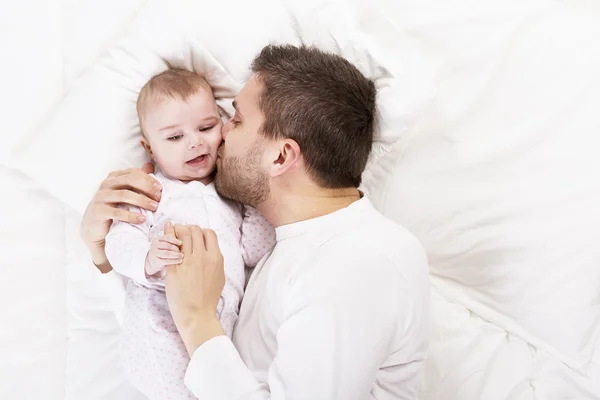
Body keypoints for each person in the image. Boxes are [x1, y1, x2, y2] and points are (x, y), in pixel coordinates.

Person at [81, 44, 431, 399]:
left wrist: (197, 319)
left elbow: (197, 332)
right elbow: (169, 352)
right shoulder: (285, 249)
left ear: (280, 156)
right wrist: (102, 255)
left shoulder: (358, 261)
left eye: (235, 120)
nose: (218, 136)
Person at [103, 68, 275, 400]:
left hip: (220, 329)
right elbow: (118, 242)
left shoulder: (230, 194)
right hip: (159, 322)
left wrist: (254, 199)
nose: (195, 141)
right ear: (150, 149)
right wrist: (148, 257)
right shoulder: (152, 191)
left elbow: (254, 252)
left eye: (206, 128)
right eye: (174, 137)